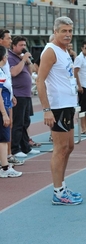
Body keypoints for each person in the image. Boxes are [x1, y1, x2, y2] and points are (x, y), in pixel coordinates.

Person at [36, 16, 83, 205]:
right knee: (60, 149)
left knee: (69, 147)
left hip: (68, 105)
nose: (68, 34)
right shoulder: (50, 51)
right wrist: (47, 109)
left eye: (70, 31)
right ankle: (58, 192)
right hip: (57, 107)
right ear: (55, 32)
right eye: (64, 31)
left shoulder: (64, 51)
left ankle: (61, 186)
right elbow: (40, 81)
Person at [8, 36, 40, 158]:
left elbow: (31, 72)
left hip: (26, 94)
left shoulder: (21, 58)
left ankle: (26, 147)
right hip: (18, 94)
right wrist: (23, 60)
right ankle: (15, 148)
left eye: (24, 45)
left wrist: (28, 61)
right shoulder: (11, 57)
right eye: (21, 45)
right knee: (18, 123)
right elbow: (13, 72)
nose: (23, 47)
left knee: (26, 122)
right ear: (14, 46)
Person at [0, 29, 23, 166]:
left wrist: (12, 93)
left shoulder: (5, 56)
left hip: (8, 94)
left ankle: (7, 156)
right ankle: (5, 162)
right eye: (8, 38)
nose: (10, 40)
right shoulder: (2, 56)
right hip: (2, 96)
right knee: (5, 126)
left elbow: (6, 77)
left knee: (8, 126)